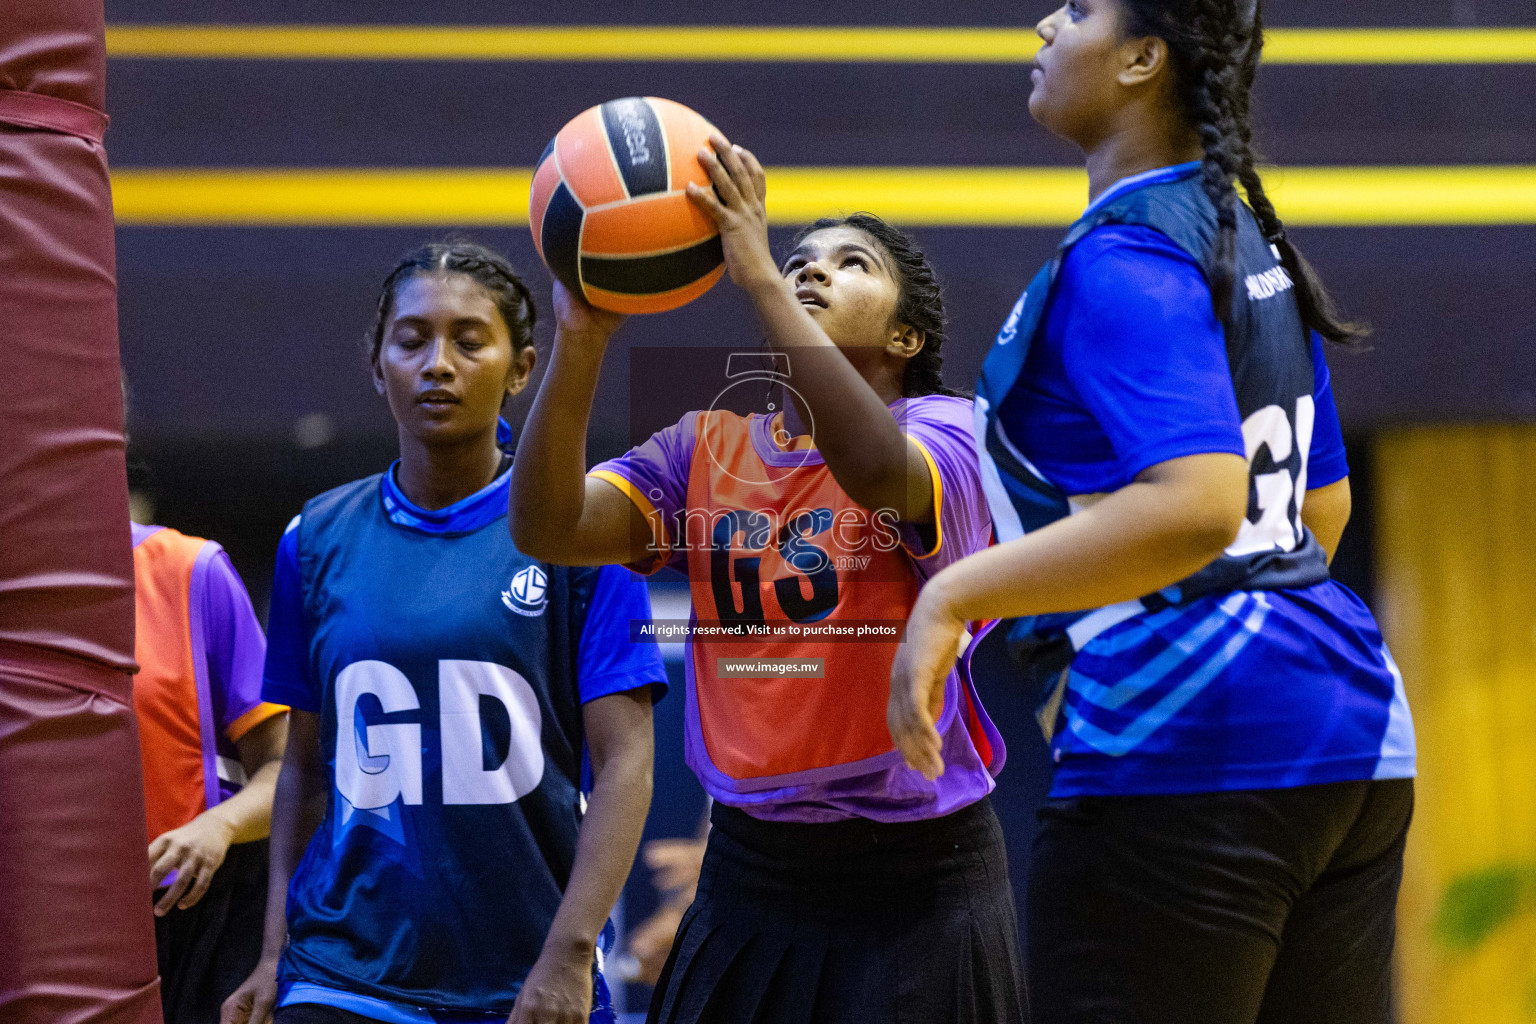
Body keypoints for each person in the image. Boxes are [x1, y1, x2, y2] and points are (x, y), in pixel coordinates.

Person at [886, 2, 1417, 1022]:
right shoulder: (1241, 232)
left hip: (1193, 740)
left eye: (1080, 10)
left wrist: (950, 597)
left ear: (1143, 58)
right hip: (1354, 724)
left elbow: (1202, 503)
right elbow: (1322, 503)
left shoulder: (1123, 256)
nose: (1046, 24)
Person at [511, 136, 1024, 1023]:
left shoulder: (949, 434)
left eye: (850, 264)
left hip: (918, 879)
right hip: (751, 871)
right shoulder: (703, 448)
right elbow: (549, 526)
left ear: (906, 336)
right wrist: (582, 341)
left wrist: (754, 272)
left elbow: (867, 465)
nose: (811, 274)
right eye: (797, 264)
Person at [221, 242, 666, 1024]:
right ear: (377, 365)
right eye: (412, 339)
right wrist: (272, 954)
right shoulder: (315, 538)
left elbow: (626, 763)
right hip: (343, 970)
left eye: (469, 340)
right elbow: (303, 768)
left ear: (522, 367)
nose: (438, 364)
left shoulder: (586, 539)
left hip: (522, 975)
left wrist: (568, 953)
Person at [132, 520, 289, 1024]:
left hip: (186, 916)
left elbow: (287, 770)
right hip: (36, 923)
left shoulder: (189, 570)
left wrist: (218, 825)